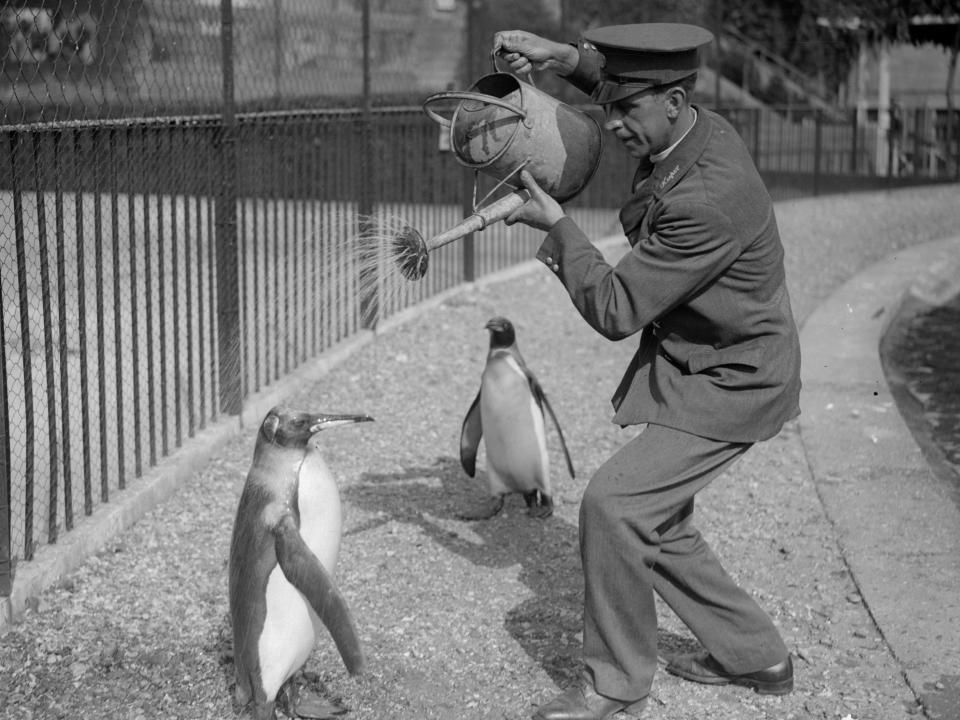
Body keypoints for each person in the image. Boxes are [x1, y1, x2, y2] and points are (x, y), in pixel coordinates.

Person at [492, 23, 801, 720]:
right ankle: (758, 655)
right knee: (652, 521)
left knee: (614, 505)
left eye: (627, 110)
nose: (612, 122)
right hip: (702, 359)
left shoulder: (707, 197)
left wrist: (557, 228)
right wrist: (562, 58)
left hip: (734, 380)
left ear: (673, 100)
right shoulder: (692, 127)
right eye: (609, 105)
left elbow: (617, 305)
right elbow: (619, 78)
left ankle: (616, 687)